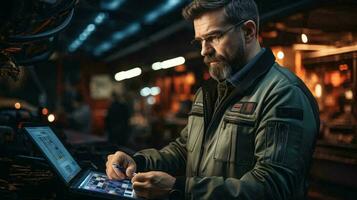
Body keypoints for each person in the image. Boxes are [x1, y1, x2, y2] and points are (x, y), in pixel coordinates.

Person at [105, 0, 320, 199]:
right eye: (200, 40)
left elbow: (272, 187)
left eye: (214, 37)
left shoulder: (283, 94)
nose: (203, 51)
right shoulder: (210, 91)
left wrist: (181, 188)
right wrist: (138, 161)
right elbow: (183, 149)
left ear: (248, 31)